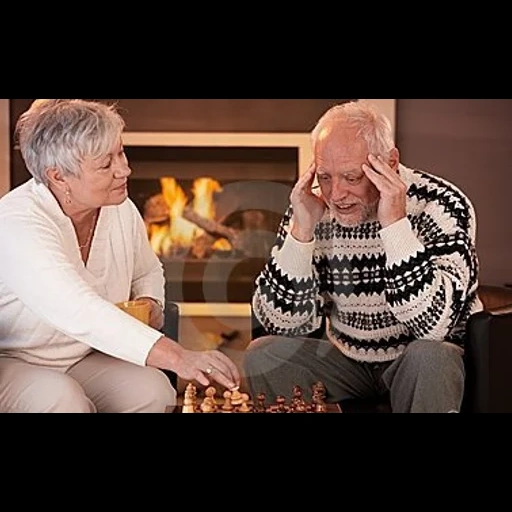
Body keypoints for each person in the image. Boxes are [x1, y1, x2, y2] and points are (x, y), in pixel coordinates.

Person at [0, 99, 240, 413]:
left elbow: (147, 270)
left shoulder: (120, 209)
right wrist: (178, 355)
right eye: (106, 164)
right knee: (62, 398)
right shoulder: (17, 223)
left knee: (153, 390)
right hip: (15, 363)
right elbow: (77, 308)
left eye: (121, 153)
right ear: (58, 176)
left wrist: (151, 303)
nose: (124, 169)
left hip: (84, 357)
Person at [244, 100, 483, 413]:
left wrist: (396, 227)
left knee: (431, 356)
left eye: (352, 178)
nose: (336, 195)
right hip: (347, 359)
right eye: (325, 177)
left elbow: (434, 327)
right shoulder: (313, 206)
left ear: (391, 163)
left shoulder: (442, 206)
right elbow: (281, 324)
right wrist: (301, 232)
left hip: (418, 358)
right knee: (264, 354)